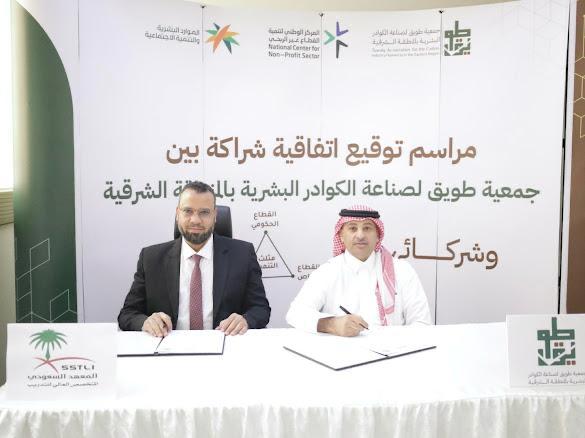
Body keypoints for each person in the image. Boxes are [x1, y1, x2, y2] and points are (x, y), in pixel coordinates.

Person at [118, 181, 270, 337]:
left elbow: (261, 309)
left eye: (204, 212)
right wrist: (145, 322)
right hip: (168, 347)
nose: (195, 220)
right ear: (177, 214)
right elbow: (128, 313)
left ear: (215, 215)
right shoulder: (151, 258)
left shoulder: (242, 255)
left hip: (225, 345)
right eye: (188, 211)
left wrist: (246, 319)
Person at [286, 205, 431, 337]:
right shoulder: (327, 272)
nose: (360, 235)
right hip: (340, 354)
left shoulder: (402, 270)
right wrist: (332, 324)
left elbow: (422, 323)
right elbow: (295, 313)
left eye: (367, 228)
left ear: (378, 235)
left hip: (393, 351)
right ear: (341, 235)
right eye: (353, 228)